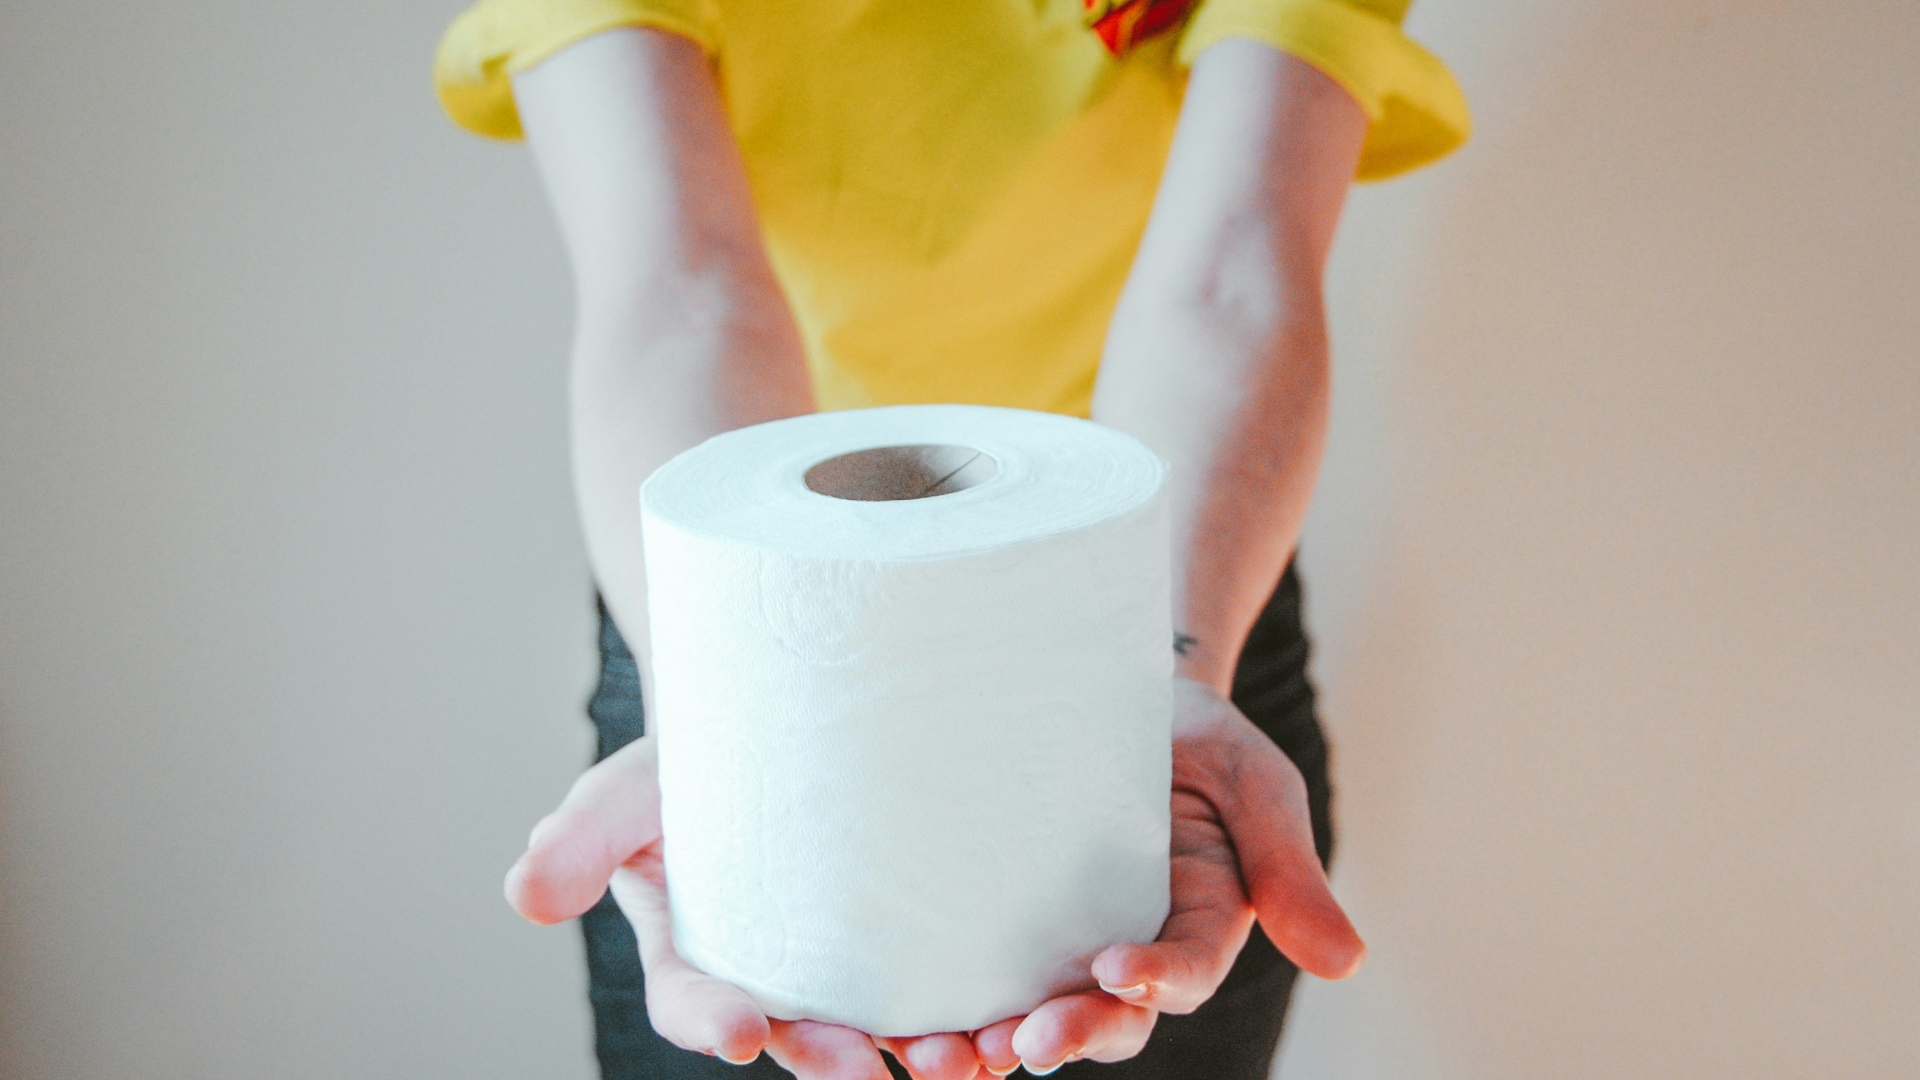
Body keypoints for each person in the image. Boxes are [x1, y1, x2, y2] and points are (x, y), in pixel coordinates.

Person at [434, 2, 1466, 1078]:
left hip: (1172, 583)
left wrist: (1162, 672)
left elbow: (1232, 279)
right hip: (740, 630)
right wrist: (727, 727)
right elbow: (682, 291)